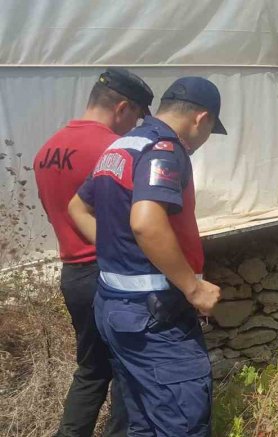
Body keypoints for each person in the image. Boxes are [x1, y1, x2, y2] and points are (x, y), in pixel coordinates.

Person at [68, 77, 226, 436]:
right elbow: (146, 223)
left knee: (143, 421)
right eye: (210, 130)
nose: (203, 142)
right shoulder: (166, 150)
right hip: (155, 315)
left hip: (115, 306)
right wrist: (193, 288)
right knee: (181, 421)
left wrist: (116, 247)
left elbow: (77, 207)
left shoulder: (123, 146)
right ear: (202, 119)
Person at [34, 67, 152, 437]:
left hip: (74, 275)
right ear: (122, 107)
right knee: (127, 370)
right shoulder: (113, 150)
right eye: (135, 116)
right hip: (110, 274)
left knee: (91, 370)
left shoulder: (46, 151)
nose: (134, 126)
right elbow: (136, 219)